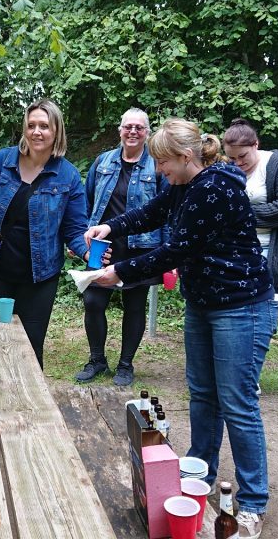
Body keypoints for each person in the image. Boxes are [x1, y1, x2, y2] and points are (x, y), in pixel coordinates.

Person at [88, 118, 276, 538]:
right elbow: (151, 213)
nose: (159, 170)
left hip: (241, 307)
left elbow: (177, 249)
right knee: (203, 394)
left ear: (186, 156)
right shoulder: (183, 186)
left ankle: (252, 501)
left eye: (163, 162)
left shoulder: (215, 188)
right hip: (203, 304)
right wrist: (110, 226)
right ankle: (199, 474)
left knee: (237, 403)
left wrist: (119, 272)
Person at [0, 98, 90, 368]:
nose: (37, 131)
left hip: (40, 278)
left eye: (44, 126)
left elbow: (74, 228)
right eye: (31, 125)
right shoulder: (1, 161)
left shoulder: (68, 176)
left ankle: (28, 397)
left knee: (30, 349)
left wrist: (88, 252)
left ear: (56, 131)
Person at [75, 108, 165, 387]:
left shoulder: (156, 166)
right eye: (128, 127)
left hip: (141, 247)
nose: (133, 132)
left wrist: (169, 253)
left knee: (134, 306)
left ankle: (126, 365)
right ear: (120, 130)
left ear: (147, 132)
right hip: (102, 246)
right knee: (93, 301)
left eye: (139, 127)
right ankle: (97, 360)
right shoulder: (103, 162)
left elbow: (166, 211)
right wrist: (81, 237)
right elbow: (86, 202)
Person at [222, 118, 278, 318]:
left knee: (261, 313)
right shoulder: (225, 168)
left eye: (243, 156)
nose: (238, 163)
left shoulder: (277, 164)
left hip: (267, 250)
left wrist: (239, 215)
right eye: (232, 158)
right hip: (232, 250)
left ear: (255, 144)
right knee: (236, 312)